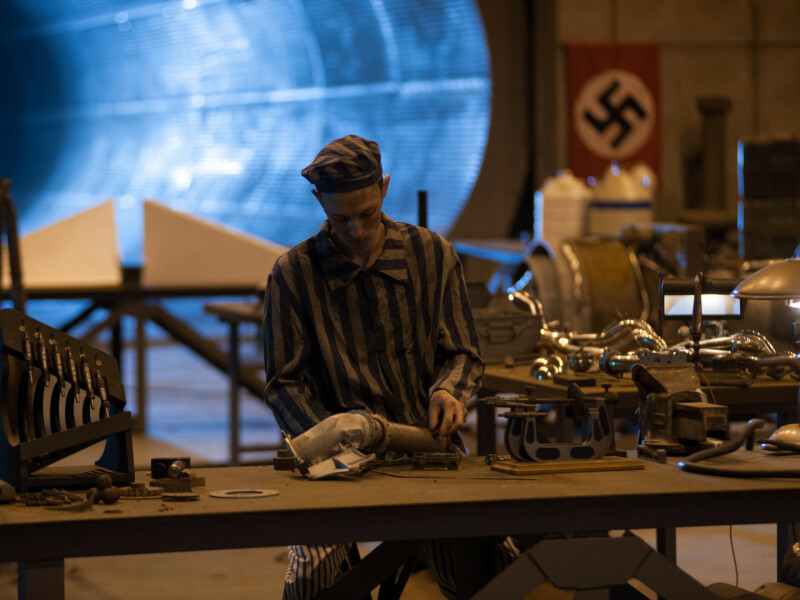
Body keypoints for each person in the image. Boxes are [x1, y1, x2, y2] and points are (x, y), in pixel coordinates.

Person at [262, 134, 491, 599]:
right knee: (315, 573)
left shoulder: (432, 255)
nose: (358, 231)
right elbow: (285, 384)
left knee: (491, 567)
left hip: (429, 449)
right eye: (341, 219)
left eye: (367, 214)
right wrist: (327, 442)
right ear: (319, 202)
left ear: (384, 188)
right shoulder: (294, 275)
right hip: (337, 466)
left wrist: (448, 390)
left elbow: (463, 351)